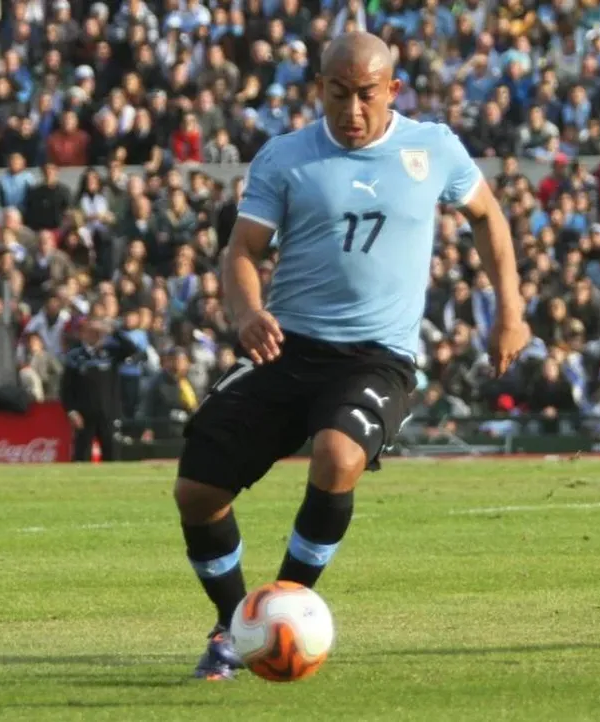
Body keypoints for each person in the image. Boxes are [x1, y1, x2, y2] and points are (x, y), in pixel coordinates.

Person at [173, 32, 530, 681]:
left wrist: (510, 308)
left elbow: (487, 216)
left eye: (367, 95)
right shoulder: (284, 157)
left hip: (377, 356)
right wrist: (249, 313)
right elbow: (242, 252)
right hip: (288, 346)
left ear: (392, 90)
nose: (353, 109)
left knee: (338, 457)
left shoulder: (434, 148)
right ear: (319, 89)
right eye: (338, 94)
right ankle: (237, 625)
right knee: (196, 490)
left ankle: (274, 616)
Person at [61, 317, 141, 461]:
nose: (96, 335)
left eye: (99, 332)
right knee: (81, 456)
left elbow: (132, 349)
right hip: (84, 415)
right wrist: (71, 411)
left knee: (112, 455)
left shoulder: (112, 352)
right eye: (92, 331)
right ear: (83, 333)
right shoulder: (75, 356)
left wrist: (114, 331)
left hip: (109, 413)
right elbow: (66, 388)